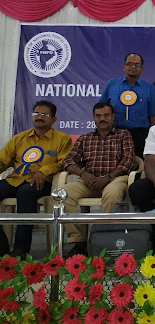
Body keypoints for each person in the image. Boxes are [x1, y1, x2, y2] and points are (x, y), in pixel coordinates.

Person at [61, 102, 137, 257]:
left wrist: (108, 177)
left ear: (113, 117)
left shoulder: (123, 135)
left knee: (112, 193)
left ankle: (104, 239)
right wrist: (83, 174)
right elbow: (68, 161)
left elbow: (128, 160)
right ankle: (79, 242)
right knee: (64, 194)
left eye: (106, 115)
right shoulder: (85, 138)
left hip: (115, 179)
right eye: (98, 116)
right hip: (89, 180)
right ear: (94, 118)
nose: (102, 119)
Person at [0, 101, 72, 258]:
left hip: (43, 182)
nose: (40, 117)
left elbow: (64, 163)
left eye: (45, 114)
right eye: (36, 114)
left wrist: (44, 171)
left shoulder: (62, 139)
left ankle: (21, 249)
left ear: (53, 119)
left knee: (25, 193)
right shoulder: (20, 138)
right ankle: (2, 249)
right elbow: (3, 159)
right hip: (16, 179)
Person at [99, 53, 155, 157]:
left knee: (138, 164)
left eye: (137, 65)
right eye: (129, 64)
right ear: (124, 67)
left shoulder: (150, 88)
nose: (133, 67)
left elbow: (153, 116)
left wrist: (153, 139)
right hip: (115, 133)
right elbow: (101, 108)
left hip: (140, 135)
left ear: (141, 69)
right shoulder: (111, 84)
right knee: (113, 163)